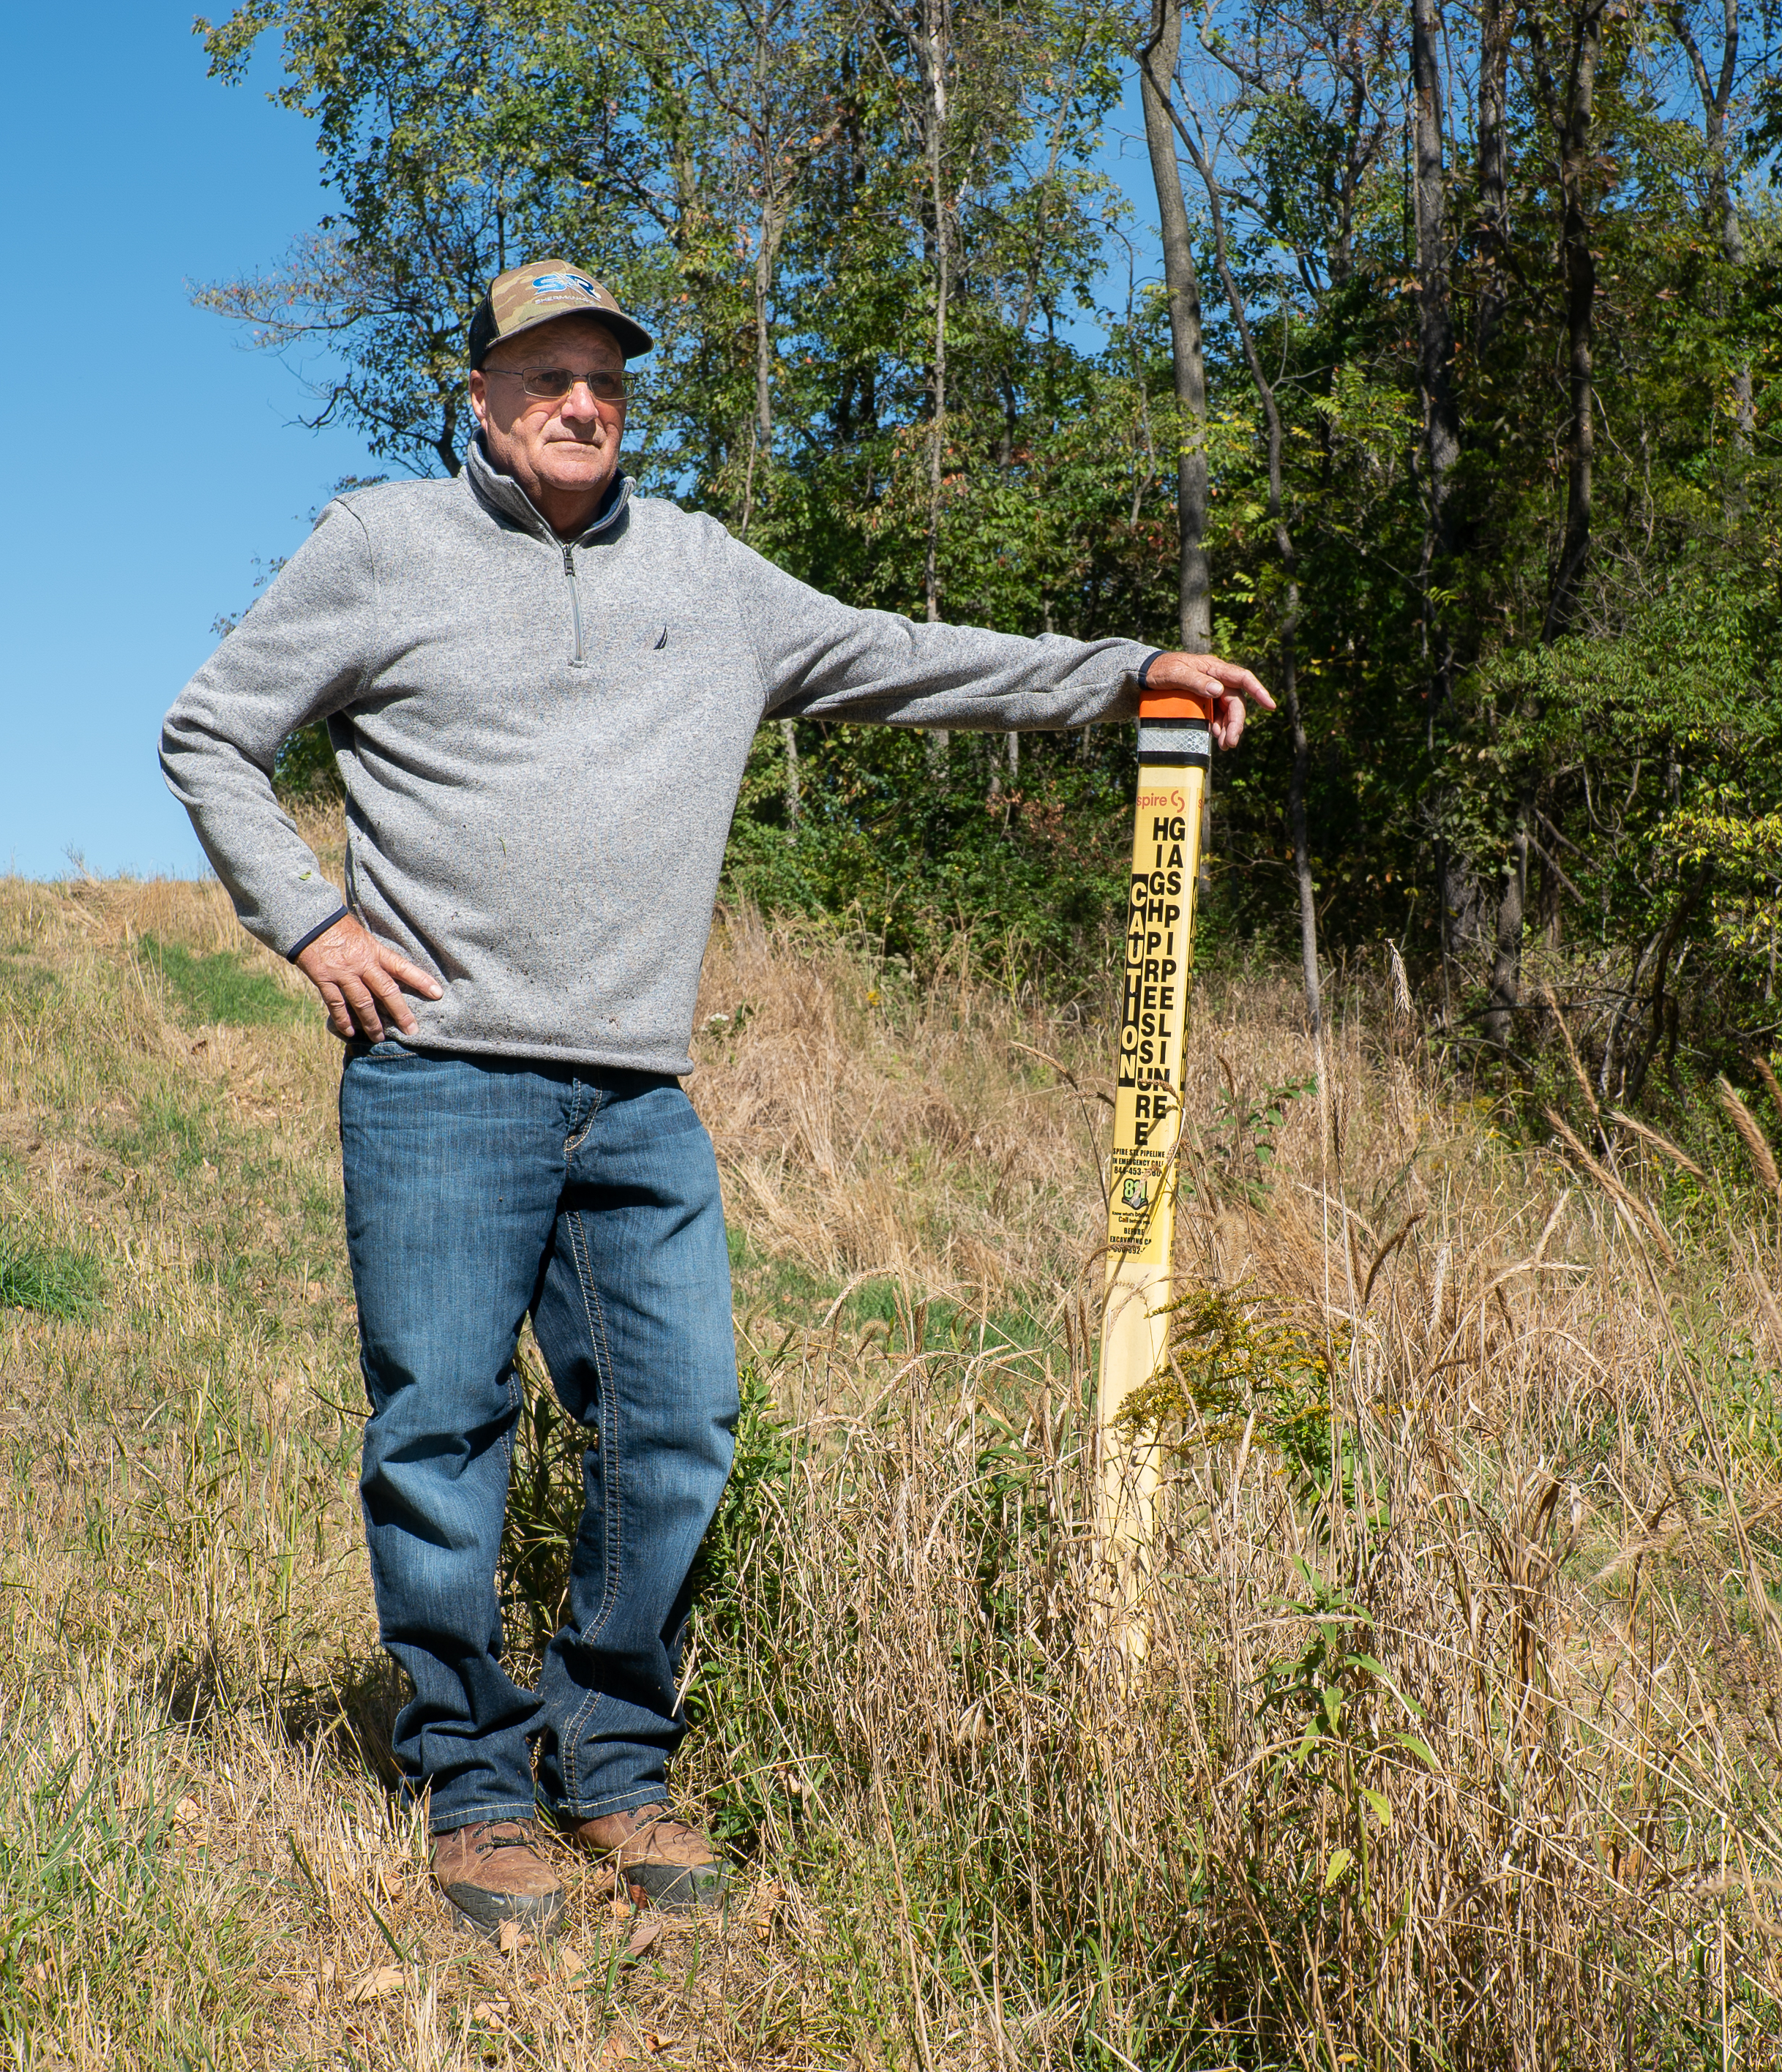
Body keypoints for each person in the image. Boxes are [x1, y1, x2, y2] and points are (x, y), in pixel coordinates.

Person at [160, 259, 1268, 1933]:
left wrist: (1121, 676)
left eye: (603, 376)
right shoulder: (381, 544)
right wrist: (309, 923)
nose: (580, 403)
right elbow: (208, 733)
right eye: (544, 375)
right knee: (441, 1434)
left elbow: (899, 656)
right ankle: (468, 1783)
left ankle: (609, 1761)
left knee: (673, 1431)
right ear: (479, 395)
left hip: (634, 1092)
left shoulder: (702, 570)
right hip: (441, 1082)